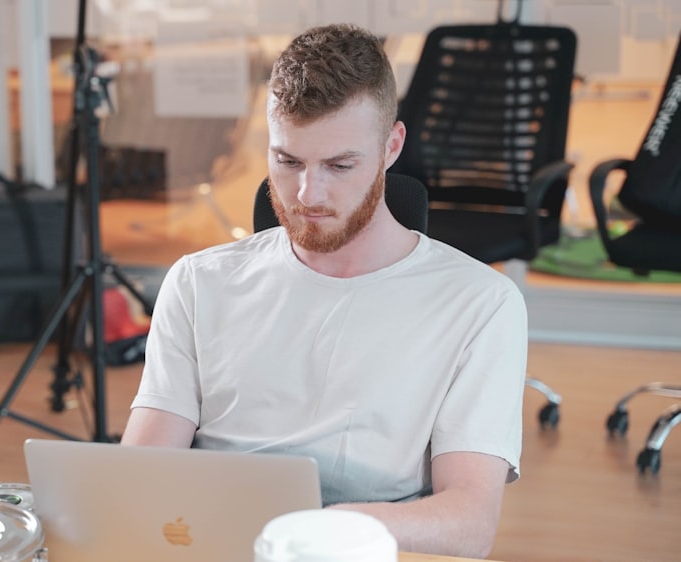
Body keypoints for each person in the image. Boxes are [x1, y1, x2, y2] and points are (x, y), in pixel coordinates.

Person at [120, 23, 527, 559]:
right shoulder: (199, 282)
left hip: (355, 546)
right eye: (288, 162)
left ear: (391, 147)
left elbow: (469, 522)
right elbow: (139, 476)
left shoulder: (480, 305)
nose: (307, 195)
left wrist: (318, 529)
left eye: (339, 165)